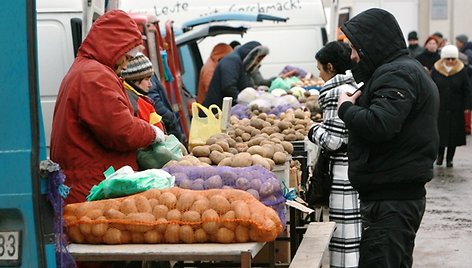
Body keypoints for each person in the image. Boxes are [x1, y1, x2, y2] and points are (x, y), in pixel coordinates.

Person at [338, 8, 439, 267]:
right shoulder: (399, 70)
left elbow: (380, 124)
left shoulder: (397, 73)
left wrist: (346, 109)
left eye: (354, 48)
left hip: (392, 200)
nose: (352, 56)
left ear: (372, 43)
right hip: (391, 196)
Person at [50, 10, 166, 205]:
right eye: (127, 58)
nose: (126, 66)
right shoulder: (95, 76)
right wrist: (152, 133)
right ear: (116, 49)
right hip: (91, 189)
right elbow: (121, 131)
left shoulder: (86, 70)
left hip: (89, 183)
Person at [308, 41, 361, 268]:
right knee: (354, 235)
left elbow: (333, 141)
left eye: (320, 69)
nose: (319, 74)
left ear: (330, 67)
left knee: (344, 238)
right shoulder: (352, 85)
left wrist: (312, 130)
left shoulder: (334, 92)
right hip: (355, 167)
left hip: (342, 171)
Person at [431, 45, 472, 167]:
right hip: (440, 108)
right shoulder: (436, 69)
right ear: (443, 58)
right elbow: (431, 88)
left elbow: (466, 89)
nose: (450, 61)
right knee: (440, 134)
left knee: (454, 136)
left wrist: (467, 106)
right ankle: (439, 156)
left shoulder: (461, 70)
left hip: (456, 108)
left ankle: (450, 159)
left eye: (453, 59)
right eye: (448, 59)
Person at [202, 41, 269, 109]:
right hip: (215, 110)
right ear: (251, 55)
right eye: (257, 58)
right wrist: (243, 101)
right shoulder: (232, 60)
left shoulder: (242, 65)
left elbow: (246, 85)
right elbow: (228, 86)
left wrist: (256, 91)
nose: (257, 62)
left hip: (224, 109)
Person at [121, 52, 166, 132]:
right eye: (146, 79)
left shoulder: (137, 99)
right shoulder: (137, 103)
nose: (150, 84)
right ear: (134, 79)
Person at [148, 74, 186, 143]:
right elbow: (154, 101)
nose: (149, 84)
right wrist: (172, 119)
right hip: (163, 128)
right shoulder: (144, 70)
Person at [456, 34, 472, 134]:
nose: (456, 43)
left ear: (462, 42)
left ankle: (467, 127)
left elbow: (468, 64)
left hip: (469, 82)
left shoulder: (467, 52)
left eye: (457, 41)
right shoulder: (466, 50)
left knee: (468, 105)